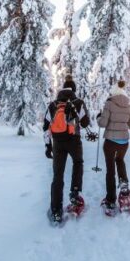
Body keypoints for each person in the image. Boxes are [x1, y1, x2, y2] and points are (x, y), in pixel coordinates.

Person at [43, 76, 92, 224]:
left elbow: (46, 126)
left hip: (58, 143)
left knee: (58, 175)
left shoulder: (53, 104)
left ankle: (56, 211)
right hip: (74, 140)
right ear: (74, 90)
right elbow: (85, 123)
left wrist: (48, 146)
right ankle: (75, 192)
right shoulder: (78, 102)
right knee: (78, 162)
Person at [96, 80, 130, 213]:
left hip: (110, 142)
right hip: (124, 142)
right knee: (120, 160)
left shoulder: (109, 103)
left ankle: (111, 200)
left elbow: (102, 123)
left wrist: (98, 117)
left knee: (110, 169)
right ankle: (124, 184)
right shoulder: (128, 105)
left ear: (113, 92)